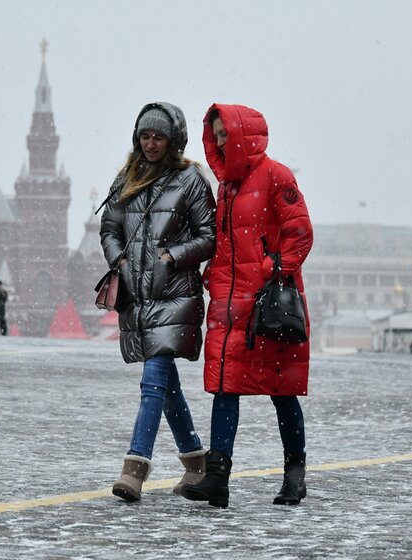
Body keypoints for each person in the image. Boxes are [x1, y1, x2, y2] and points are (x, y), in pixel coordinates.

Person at [180, 104, 314, 509]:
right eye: (216, 135)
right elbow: (226, 245)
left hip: (268, 305)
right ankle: (217, 479)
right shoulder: (225, 186)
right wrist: (213, 279)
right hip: (230, 303)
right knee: (226, 386)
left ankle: (295, 476)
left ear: (244, 135)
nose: (220, 142)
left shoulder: (277, 175)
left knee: (281, 390)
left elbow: (300, 232)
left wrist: (274, 267)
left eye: (225, 134)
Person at [99, 102, 217, 502]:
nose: (150, 144)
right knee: (165, 386)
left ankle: (135, 469)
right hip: (136, 295)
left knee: (153, 382)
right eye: (144, 136)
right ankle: (196, 463)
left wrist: (171, 257)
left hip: (174, 294)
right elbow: (110, 227)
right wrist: (119, 259)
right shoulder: (126, 178)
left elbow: (209, 236)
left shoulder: (190, 181)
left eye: (158, 137)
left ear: (173, 140)